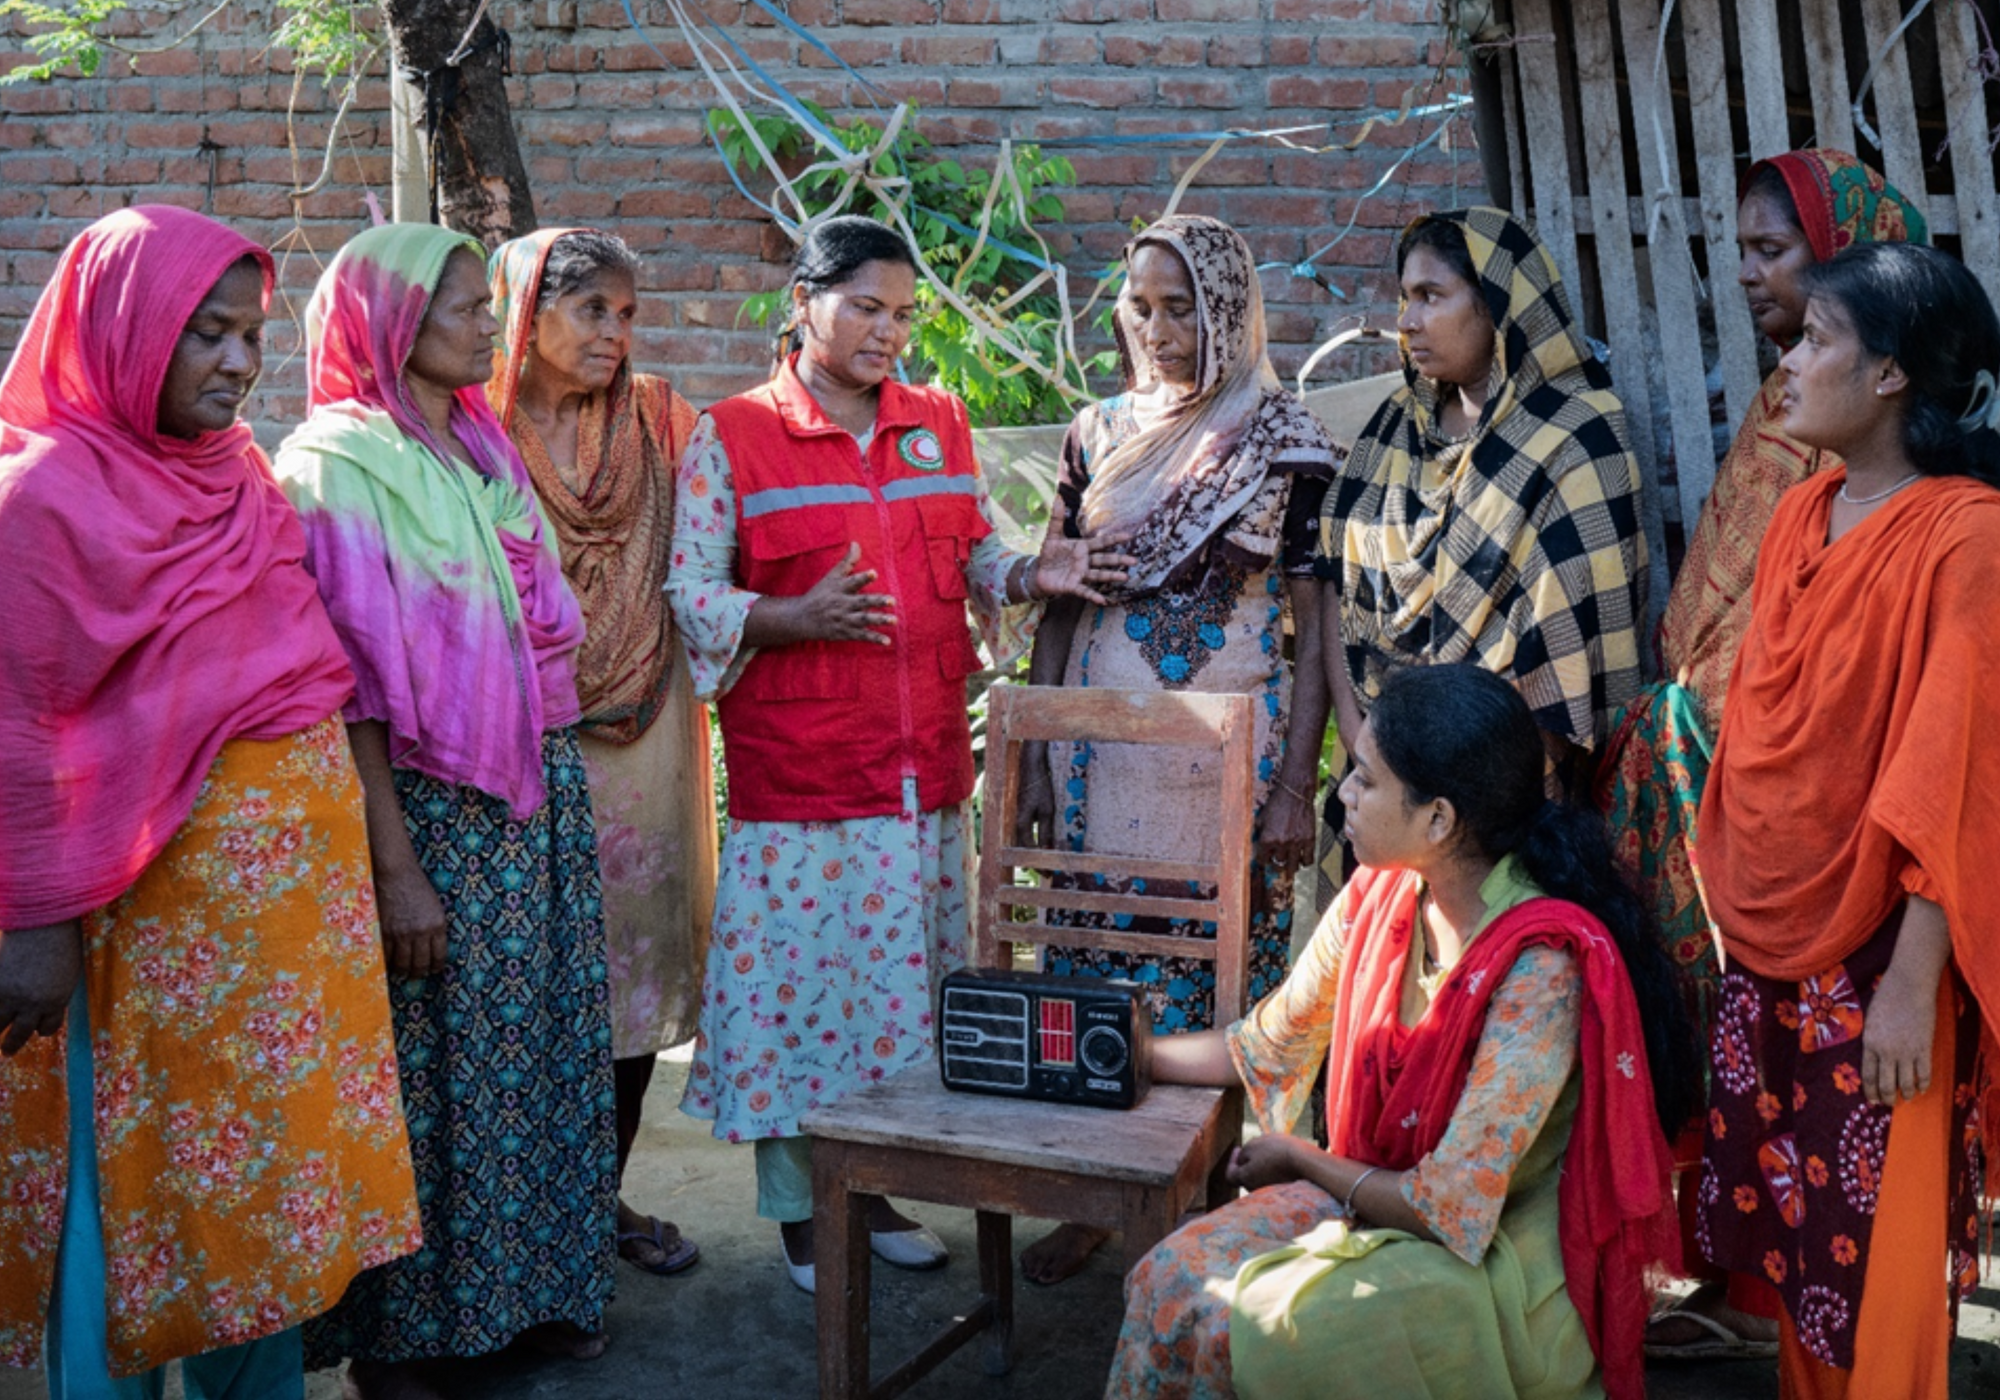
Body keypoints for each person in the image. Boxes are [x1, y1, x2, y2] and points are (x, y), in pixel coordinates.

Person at [667, 214, 1134, 1295]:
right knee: (796, 1000)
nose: (888, 332)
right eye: (865, 307)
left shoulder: (936, 419)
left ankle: (870, 1186)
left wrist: (1030, 572)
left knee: (898, 999)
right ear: (804, 303)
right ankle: (799, 1211)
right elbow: (689, 590)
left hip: (921, 770)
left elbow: (970, 549)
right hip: (805, 777)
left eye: (903, 313)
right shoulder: (731, 432)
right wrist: (790, 616)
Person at [0, 206, 420, 1398]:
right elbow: (19, 724)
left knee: (269, 1188)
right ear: (126, 332)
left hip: (288, 937)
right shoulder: (41, 499)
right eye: (206, 334)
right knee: (133, 1182)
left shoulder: (231, 470)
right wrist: (31, 924)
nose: (238, 363)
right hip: (146, 924)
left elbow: (306, 668)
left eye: (250, 334)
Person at [1105, 663, 1697, 1400]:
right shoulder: (1378, 895)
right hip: (1374, 1199)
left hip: (1494, 1261)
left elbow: (1449, 1210)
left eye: (1364, 778)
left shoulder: (1540, 968)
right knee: (1168, 1279)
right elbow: (1265, 1043)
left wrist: (1299, 1158)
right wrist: (1113, 1053)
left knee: (1257, 1325)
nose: (1341, 796)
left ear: (1439, 820)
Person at [273, 223, 616, 1398]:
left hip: (531, 793)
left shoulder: (477, 442)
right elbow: (349, 686)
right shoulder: (337, 463)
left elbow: (532, 629)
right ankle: (405, 1336)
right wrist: (395, 868)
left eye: (484, 301)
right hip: (426, 810)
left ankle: (519, 1297)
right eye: (464, 304)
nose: (487, 320)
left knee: (532, 1058)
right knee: (427, 1077)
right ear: (390, 323)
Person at [1593, 149, 1924, 1359]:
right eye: (1735, 249)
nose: (1744, 275)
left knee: (1839, 1117)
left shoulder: (1897, 474)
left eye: (1770, 251)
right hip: (1717, 804)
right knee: (1749, 1082)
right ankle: (1749, 1300)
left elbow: (1871, 692)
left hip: (1823, 834)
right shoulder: (1784, 418)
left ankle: (1818, 1328)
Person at [1694, 241, 2000, 1399]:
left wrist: (1914, 978)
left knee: (1876, 1258)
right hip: (1775, 934)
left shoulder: (1963, 535)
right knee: (1801, 1243)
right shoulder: (1800, 512)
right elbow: (1765, 738)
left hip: (1886, 943)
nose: (1787, 363)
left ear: (1887, 375)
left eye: (1814, 340)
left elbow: (1957, 766)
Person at [1014, 213, 1341, 1284]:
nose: (1153, 328)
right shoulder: (1094, 432)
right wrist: (1028, 753)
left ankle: (1203, 1195)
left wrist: (1296, 781)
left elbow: (1313, 624)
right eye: (1139, 305)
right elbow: (1060, 604)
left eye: (1179, 306)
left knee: (1213, 975)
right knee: (1092, 970)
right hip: (1098, 764)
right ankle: (1097, 1192)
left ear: (1227, 307)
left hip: (1224, 762)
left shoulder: (1282, 440)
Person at [489, 226, 715, 1278]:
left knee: (633, 982)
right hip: (514, 745)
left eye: (627, 314)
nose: (615, 336)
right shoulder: (470, 434)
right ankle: (529, 1224)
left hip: (646, 737)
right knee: (530, 987)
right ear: (524, 311)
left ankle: (598, 1203)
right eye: (592, 312)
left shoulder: (665, 420)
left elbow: (716, 550)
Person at [1315, 207, 1648, 798]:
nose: (1408, 321)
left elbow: (1563, 650)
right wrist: (1367, 744)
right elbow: (1330, 579)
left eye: (1431, 296)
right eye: (1405, 298)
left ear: (1497, 301)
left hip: (1500, 787)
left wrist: (1460, 787)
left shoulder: (1575, 437)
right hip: (1377, 769)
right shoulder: (1397, 427)